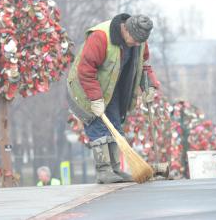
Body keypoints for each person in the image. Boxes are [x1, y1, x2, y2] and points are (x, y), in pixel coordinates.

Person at [67, 13, 160, 184]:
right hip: (84, 88)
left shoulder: (139, 41)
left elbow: (144, 64)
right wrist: (95, 99)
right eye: (135, 40)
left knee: (115, 125)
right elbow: (85, 71)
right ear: (126, 30)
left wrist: (149, 86)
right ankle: (104, 170)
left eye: (141, 41)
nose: (137, 44)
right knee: (98, 126)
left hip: (111, 87)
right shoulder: (101, 37)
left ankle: (115, 168)